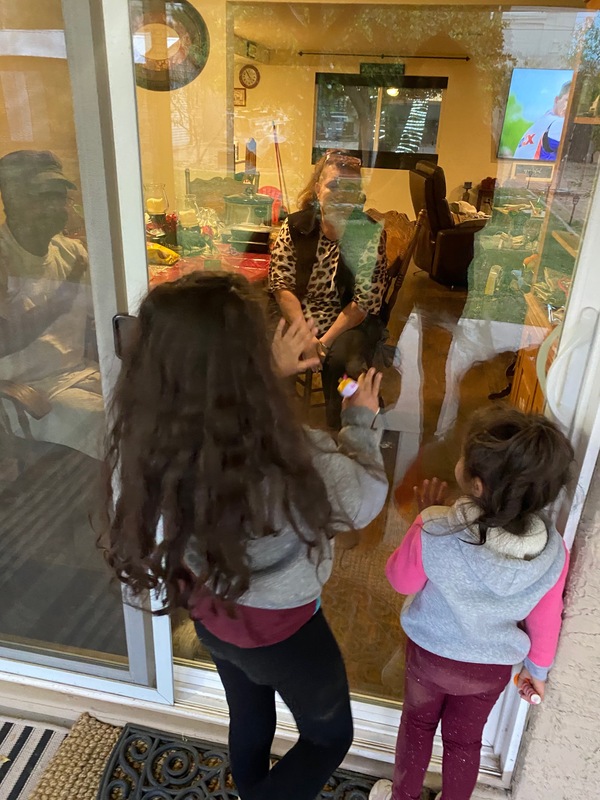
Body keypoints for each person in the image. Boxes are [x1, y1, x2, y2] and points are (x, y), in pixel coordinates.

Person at [102, 272, 389, 800]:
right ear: (245, 368)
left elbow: (215, 424)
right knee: (329, 736)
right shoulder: (294, 455)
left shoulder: (144, 440)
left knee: (248, 711)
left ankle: (253, 786)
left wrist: (267, 377)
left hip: (209, 608)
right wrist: (360, 423)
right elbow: (363, 501)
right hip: (283, 628)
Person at [370, 406, 573, 800]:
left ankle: (402, 797)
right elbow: (547, 617)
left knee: (416, 727)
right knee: (465, 744)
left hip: (430, 659)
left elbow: (401, 579)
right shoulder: (553, 554)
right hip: (489, 670)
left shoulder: (434, 526)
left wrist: (421, 522)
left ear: (476, 485)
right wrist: (538, 670)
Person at [268, 150, 388, 428]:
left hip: (346, 323)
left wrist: (322, 343)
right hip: (298, 316)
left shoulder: (370, 234)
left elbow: (363, 303)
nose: (341, 194)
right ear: (317, 188)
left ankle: (343, 429)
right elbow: (281, 285)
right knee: (272, 357)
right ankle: (281, 427)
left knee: (345, 370)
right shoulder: (295, 226)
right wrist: (305, 337)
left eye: (351, 188)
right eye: (334, 185)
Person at [0, 149, 103, 458]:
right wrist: (60, 301)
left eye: (60, 198)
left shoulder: (73, 252)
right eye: (42, 198)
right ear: (13, 202)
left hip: (80, 374)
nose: (57, 208)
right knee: (119, 425)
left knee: (160, 405)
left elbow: (95, 322)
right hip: (27, 396)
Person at [513, 81, 571, 162]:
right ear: (557, 100)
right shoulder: (558, 123)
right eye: (567, 100)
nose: (571, 106)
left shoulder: (542, 121)